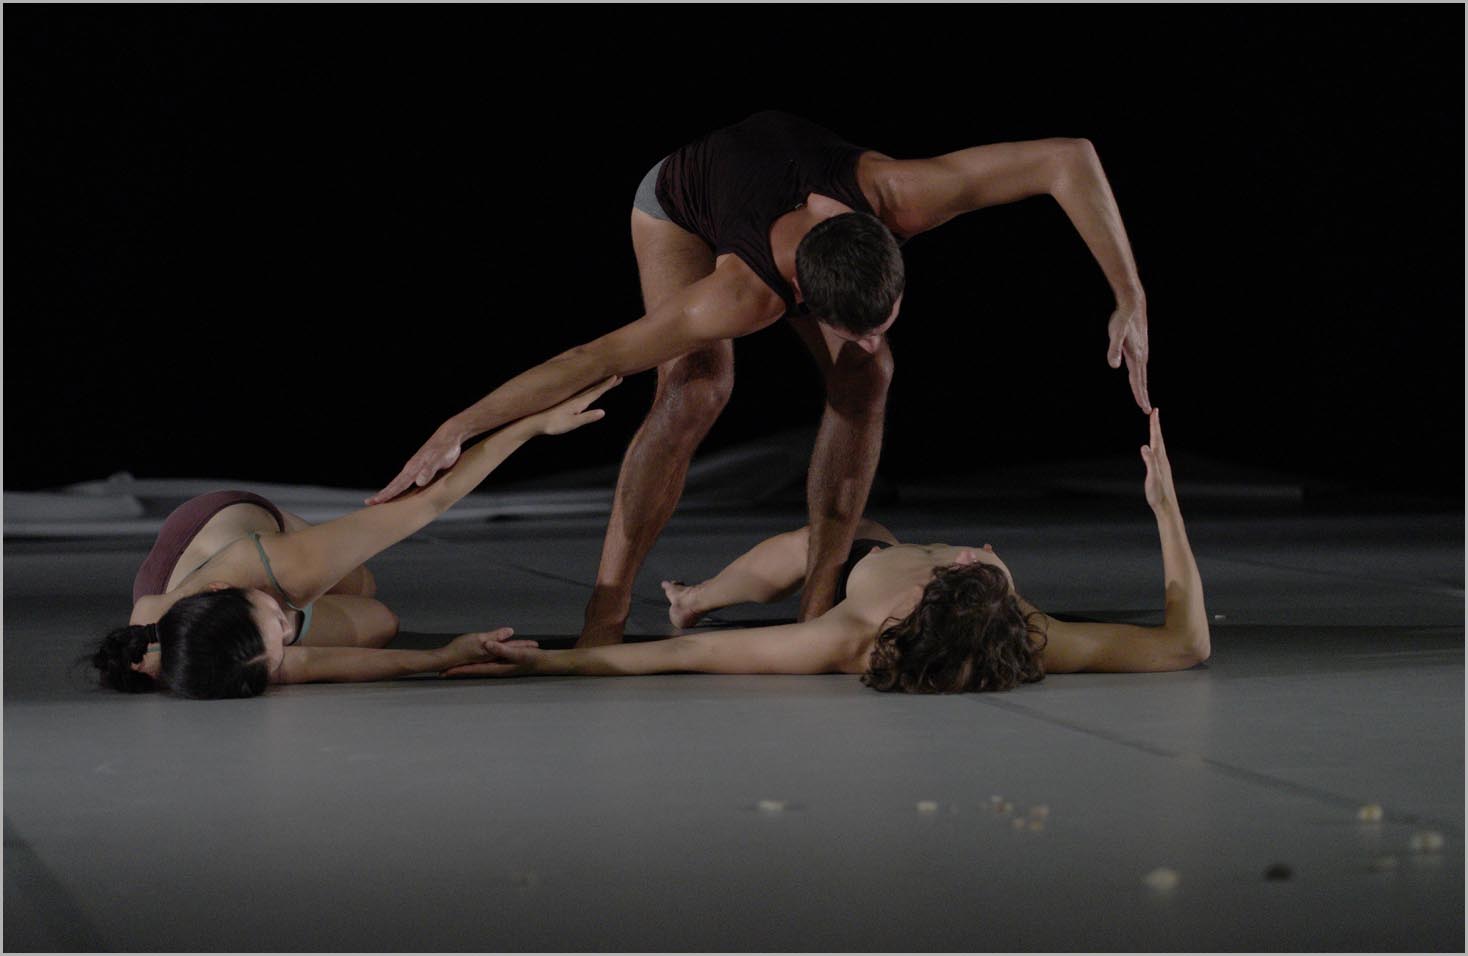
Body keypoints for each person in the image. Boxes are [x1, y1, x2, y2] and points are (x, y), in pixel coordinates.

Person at [370, 110, 1153, 648]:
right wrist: (458, 426)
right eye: (858, 324)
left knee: (869, 372)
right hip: (680, 202)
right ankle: (605, 609)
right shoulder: (738, 294)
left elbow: (1069, 157)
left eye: (888, 313)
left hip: (784, 185)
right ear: (803, 298)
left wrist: (1129, 295)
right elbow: (591, 360)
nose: (875, 333)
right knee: (695, 388)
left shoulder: (904, 195)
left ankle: (816, 607)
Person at [442, 410, 1207, 691]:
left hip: (857, 563)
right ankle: (700, 595)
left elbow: (684, 658)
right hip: (927, 589)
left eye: (960, 567)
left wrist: (545, 663)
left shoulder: (848, 636)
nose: (969, 555)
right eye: (977, 568)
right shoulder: (1032, 637)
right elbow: (1185, 645)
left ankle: (695, 598)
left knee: (818, 544)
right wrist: (1167, 512)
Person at [91, 378, 620, 699]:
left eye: (277, 621)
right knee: (382, 623)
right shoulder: (207, 663)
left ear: (222, 592)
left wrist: (530, 426)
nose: (290, 630)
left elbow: (428, 503)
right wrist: (441, 657)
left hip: (229, 521)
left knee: (362, 584)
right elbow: (308, 665)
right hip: (212, 602)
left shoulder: (285, 568)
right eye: (281, 641)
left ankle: (286, 588)